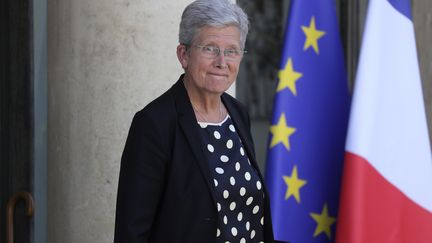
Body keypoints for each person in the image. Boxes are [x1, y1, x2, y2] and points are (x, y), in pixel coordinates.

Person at [114, 0, 276, 242]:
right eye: (210, 48)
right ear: (184, 55)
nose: (222, 62)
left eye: (232, 50)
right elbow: (132, 231)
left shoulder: (238, 113)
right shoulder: (154, 124)